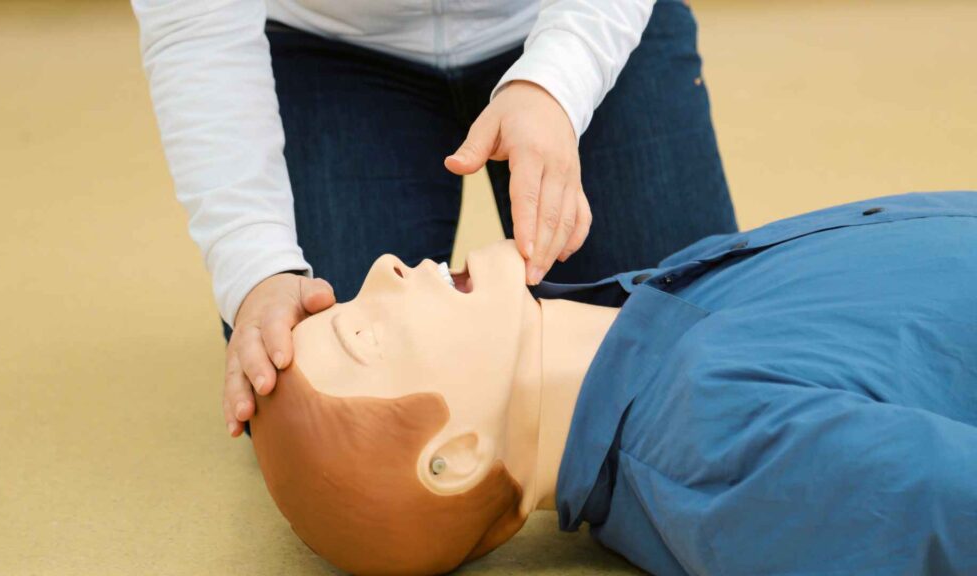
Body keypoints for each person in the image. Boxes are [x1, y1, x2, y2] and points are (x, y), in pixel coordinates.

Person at [251, 192, 977, 576]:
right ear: (459, 455)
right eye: (364, 333)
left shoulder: (647, 325)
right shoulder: (717, 444)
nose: (382, 268)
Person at [129, 0, 738, 437]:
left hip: (565, 15)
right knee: (318, 402)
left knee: (700, 364)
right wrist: (256, 267)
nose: (396, 272)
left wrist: (554, 86)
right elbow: (193, 28)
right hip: (326, 45)